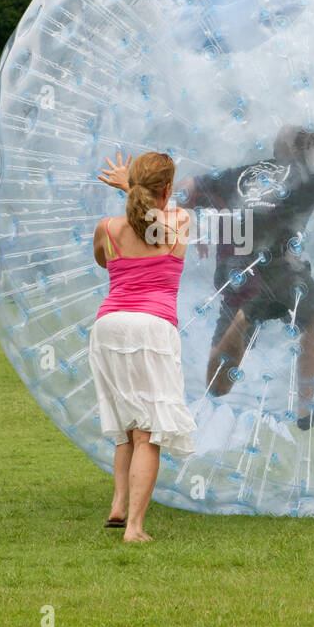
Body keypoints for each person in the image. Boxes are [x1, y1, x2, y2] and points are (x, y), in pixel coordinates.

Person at [174, 126, 314, 430]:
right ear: (311, 154)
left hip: (237, 276)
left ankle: (242, 320)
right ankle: (304, 411)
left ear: (277, 150)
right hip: (285, 274)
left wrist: (192, 227)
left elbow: (184, 188)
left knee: (219, 387)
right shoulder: (312, 176)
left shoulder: (238, 175)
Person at [90, 151, 195, 542]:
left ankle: (118, 507)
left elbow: (104, 262)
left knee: (126, 426)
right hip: (151, 327)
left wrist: (128, 190)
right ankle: (134, 527)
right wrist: (133, 189)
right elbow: (156, 225)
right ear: (167, 189)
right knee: (148, 432)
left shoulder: (107, 228)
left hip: (109, 327)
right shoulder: (179, 222)